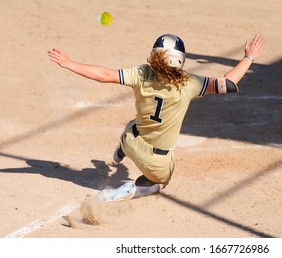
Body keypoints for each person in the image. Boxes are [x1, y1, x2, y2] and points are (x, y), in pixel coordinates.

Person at [47, 34, 265, 202]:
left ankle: (122, 149)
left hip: (133, 140)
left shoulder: (142, 74)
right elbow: (228, 83)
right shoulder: (189, 83)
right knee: (160, 183)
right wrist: (249, 57)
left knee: (133, 124)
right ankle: (131, 189)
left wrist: (69, 63)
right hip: (156, 162)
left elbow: (104, 75)